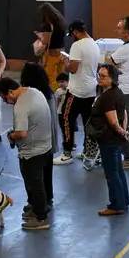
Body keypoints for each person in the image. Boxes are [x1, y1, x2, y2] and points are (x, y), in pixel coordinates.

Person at [0, 76, 53, 230]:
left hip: (32, 152)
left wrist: (11, 136)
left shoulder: (20, 106)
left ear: (10, 92)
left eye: (5, 98)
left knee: (34, 183)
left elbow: (21, 133)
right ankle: (38, 207)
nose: (6, 102)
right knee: (39, 181)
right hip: (46, 146)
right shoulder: (34, 92)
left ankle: (41, 218)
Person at [56, 20, 100, 168]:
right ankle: (88, 151)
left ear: (75, 32)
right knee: (88, 122)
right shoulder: (94, 44)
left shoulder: (77, 45)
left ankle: (67, 153)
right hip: (91, 90)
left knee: (66, 119)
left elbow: (73, 69)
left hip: (77, 90)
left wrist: (65, 61)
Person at [92, 64, 129, 216]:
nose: (100, 78)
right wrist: (124, 131)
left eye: (103, 76)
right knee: (118, 171)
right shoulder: (118, 92)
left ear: (112, 78)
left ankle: (116, 205)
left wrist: (121, 131)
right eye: (99, 75)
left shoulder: (107, 97)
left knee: (111, 173)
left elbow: (113, 121)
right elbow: (124, 113)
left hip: (108, 139)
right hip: (115, 139)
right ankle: (123, 201)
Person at [20, 63, 58, 215]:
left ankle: (36, 203)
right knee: (47, 170)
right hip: (50, 138)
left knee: (34, 175)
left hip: (37, 141)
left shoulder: (31, 97)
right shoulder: (49, 93)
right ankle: (48, 198)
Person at [107, 16, 129, 168]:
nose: (117, 30)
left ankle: (128, 157)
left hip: (124, 90)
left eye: (119, 28)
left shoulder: (125, 48)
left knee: (123, 124)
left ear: (127, 31)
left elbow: (109, 62)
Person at [36, 3, 67, 90]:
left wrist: (40, 38)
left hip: (52, 54)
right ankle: (62, 93)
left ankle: (54, 94)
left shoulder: (47, 25)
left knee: (50, 78)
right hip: (62, 53)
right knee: (61, 77)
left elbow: (45, 41)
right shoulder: (60, 22)